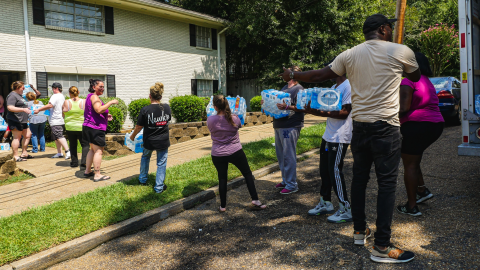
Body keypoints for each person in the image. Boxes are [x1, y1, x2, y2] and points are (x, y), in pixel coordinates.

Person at [279, 14, 421, 263]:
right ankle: (382, 246)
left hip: (360, 128)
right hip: (386, 128)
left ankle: (359, 230)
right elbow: (416, 76)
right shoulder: (401, 51)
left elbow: (317, 76)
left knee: (359, 180)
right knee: (386, 185)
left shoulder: (348, 55)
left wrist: (292, 73)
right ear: (384, 29)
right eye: (390, 27)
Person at [397, 52, 444, 216]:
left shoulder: (408, 80)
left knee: (409, 164)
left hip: (417, 125)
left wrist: (387, 117)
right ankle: (422, 190)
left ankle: (411, 206)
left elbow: (403, 108)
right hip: (436, 124)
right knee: (413, 158)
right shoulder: (427, 81)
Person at [305, 62, 353, 224]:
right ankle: (325, 202)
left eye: (328, 71)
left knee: (335, 172)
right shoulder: (334, 88)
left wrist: (316, 112)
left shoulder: (348, 87)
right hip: (328, 136)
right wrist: (305, 109)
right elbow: (325, 109)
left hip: (339, 137)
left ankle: (345, 208)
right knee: (324, 171)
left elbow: (344, 112)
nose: (325, 74)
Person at [207, 95, 266, 212]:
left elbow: (212, 128)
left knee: (222, 178)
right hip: (235, 151)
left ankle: (222, 206)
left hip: (218, 153)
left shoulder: (210, 120)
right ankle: (255, 200)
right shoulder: (235, 118)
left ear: (215, 107)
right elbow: (239, 125)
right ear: (228, 105)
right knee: (247, 174)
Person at [130, 82, 171, 194]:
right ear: (161, 97)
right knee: (161, 163)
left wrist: (132, 136)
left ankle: (143, 179)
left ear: (150, 96)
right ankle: (159, 188)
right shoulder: (167, 108)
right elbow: (167, 121)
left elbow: (139, 126)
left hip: (149, 140)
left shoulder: (145, 109)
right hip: (163, 141)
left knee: (145, 157)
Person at [272, 65, 305, 195]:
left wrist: (288, 107)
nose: (282, 76)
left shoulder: (299, 89)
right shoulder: (285, 88)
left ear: (292, 75)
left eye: (285, 73)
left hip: (290, 125)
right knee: (281, 155)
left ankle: (292, 184)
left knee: (288, 155)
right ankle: (286, 180)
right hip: (279, 124)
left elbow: (303, 107)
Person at [81, 79, 117, 182]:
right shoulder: (95, 97)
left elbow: (94, 111)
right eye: (100, 86)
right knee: (98, 151)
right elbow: (98, 109)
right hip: (95, 128)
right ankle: (97, 175)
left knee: (92, 149)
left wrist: (106, 115)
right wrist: (111, 102)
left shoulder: (89, 96)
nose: (102, 88)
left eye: (103, 87)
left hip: (88, 126)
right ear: (93, 87)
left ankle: (88, 171)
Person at [34, 82, 70, 159]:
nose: (52, 90)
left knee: (59, 136)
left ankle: (67, 151)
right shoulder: (61, 96)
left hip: (55, 119)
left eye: (53, 88)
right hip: (59, 118)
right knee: (56, 137)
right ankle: (59, 153)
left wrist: (39, 109)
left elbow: (50, 105)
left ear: (56, 88)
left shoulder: (55, 96)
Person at [63, 86, 89, 169]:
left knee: (73, 145)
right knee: (85, 145)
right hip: (82, 126)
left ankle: (74, 163)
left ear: (69, 93)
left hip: (70, 126)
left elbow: (63, 114)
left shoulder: (66, 102)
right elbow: (88, 114)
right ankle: (84, 162)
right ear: (78, 92)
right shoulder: (84, 101)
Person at [6, 81, 32, 161]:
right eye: (23, 88)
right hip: (15, 120)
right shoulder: (12, 96)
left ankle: (24, 153)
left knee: (28, 135)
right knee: (17, 137)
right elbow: (10, 107)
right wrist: (23, 109)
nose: (24, 89)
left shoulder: (19, 96)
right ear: (18, 88)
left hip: (23, 120)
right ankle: (16, 156)